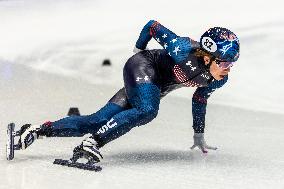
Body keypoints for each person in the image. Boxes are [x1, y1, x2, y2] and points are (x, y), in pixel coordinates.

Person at [18, 20, 240, 163]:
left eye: (232, 64)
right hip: (142, 67)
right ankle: (93, 143)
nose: (228, 69)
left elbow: (199, 100)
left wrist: (198, 134)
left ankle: (36, 131)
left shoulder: (218, 80)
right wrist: (138, 50)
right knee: (148, 109)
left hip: (150, 87)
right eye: (224, 63)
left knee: (98, 120)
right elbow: (153, 26)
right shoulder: (182, 48)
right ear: (207, 56)